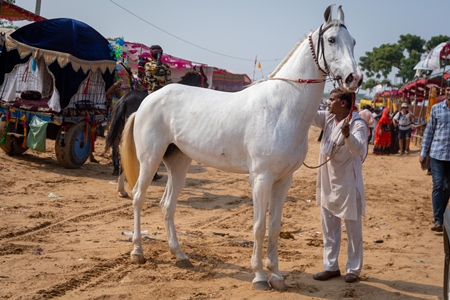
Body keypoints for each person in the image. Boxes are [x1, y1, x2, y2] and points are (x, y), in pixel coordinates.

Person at [311, 88, 368, 283]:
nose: (328, 102)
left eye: (332, 99)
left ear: (343, 103)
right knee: (329, 228)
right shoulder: (327, 118)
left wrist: (347, 136)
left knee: (353, 231)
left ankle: (353, 269)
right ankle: (331, 267)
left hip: (348, 184)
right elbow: (308, 114)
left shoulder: (357, 123)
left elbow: (359, 149)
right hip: (328, 182)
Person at [419, 86, 450, 232]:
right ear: (445, 91)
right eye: (448, 89)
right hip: (437, 154)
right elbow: (429, 131)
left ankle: (442, 215)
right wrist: (423, 152)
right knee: (438, 185)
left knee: (447, 187)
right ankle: (438, 220)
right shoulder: (436, 108)